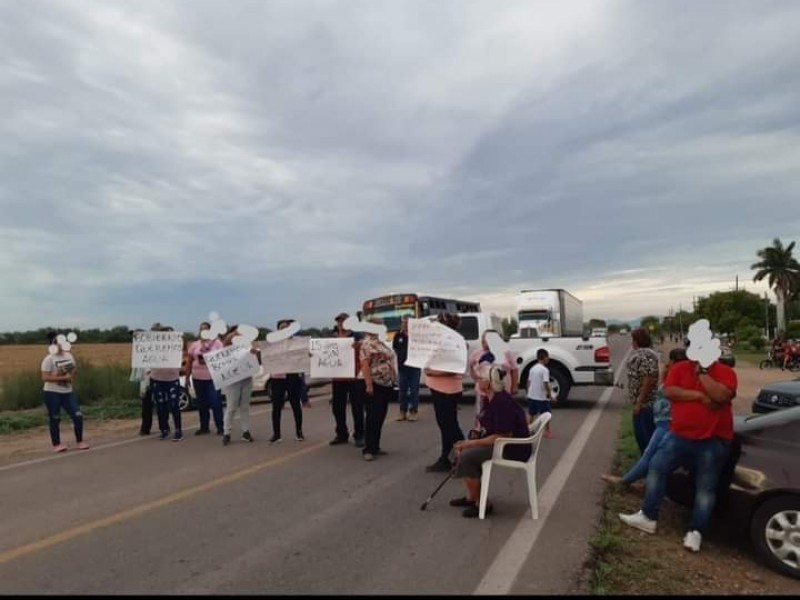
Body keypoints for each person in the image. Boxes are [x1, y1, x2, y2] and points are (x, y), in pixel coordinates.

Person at [619, 348, 737, 553]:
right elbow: (669, 391)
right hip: (679, 435)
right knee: (656, 467)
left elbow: (720, 396)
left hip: (713, 440)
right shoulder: (681, 368)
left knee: (705, 487)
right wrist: (699, 396)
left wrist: (702, 374)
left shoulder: (725, 372)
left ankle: (696, 532)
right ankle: (648, 516)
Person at [449, 365, 532, 518]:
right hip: (503, 443)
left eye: (480, 379)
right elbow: (489, 427)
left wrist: (470, 444)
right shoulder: (492, 398)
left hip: (511, 447)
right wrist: (475, 436)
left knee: (467, 456)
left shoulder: (501, 402)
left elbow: (500, 436)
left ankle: (483, 504)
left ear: (487, 383)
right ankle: (472, 496)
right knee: (458, 449)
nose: (477, 381)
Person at [602, 347, 688, 486]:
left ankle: (627, 481)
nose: (667, 363)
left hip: (667, 423)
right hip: (663, 421)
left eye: (670, 360)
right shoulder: (675, 375)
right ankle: (644, 482)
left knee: (650, 454)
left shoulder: (679, 378)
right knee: (653, 454)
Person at [425, 313, 466, 473]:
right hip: (439, 388)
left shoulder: (454, 342)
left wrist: (434, 373)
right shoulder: (445, 341)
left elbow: (455, 368)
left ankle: (464, 456)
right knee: (445, 425)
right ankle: (446, 458)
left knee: (450, 426)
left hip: (447, 389)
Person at [41, 333, 89, 452]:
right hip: (52, 392)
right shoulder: (49, 359)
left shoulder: (69, 356)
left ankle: (80, 441)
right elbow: (45, 377)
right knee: (55, 418)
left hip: (67, 391)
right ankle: (57, 444)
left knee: (77, 415)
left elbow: (73, 369)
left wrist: (70, 376)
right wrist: (61, 378)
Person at [360, 320, 398, 461]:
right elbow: (365, 365)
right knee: (372, 417)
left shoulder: (381, 342)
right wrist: (368, 384)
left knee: (380, 416)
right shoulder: (367, 344)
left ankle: (376, 446)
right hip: (374, 383)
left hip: (385, 384)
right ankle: (368, 449)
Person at [329, 312, 365, 447]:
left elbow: (365, 352)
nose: (340, 324)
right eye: (338, 321)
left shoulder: (357, 336)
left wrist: (359, 346)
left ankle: (360, 434)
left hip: (354, 377)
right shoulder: (332, 338)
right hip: (338, 378)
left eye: (343, 321)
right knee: (337, 408)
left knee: (357, 407)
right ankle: (341, 434)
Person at [469, 330, 519, 423]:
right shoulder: (477, 353)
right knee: (482, 415)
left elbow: (514, 369)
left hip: (502, 391)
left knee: (501, 415)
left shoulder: (506, 352)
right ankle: (481, 433)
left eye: (486, 339)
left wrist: (514, 386)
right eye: (482, 339)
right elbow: (472, 369)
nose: (483, 342)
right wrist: (475, 376)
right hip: (483, 392)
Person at [221, 325, 260, 446]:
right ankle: (227, 432)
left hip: (246, 378)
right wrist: (234, 334)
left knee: (245, 406)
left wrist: (254, 353)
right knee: (231, 407)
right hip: (233, 380)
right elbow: (225, 342)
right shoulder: (227, 348)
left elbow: (255, 358)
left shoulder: (247, 345)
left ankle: (245, 431)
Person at [269, 319, 306, 443]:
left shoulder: (297, 343)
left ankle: (299, 432)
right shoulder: (272, 343)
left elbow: (303, 356)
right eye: (281, 328)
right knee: (276, 407)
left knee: (296, 405)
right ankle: (277, 434)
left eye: (286, 327)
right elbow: (265, 356)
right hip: (277, 377)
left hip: (292, 376)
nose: (284, 329)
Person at [186, 321, 224, 436]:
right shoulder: (195, 345)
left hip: (212, 378)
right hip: (198, 378)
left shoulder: (217, 343)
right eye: (201, 329)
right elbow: (189, 361)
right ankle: (204, 426)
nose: (203, 331)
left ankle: (220, 427)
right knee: (202, 404)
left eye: (206, 329)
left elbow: (223, 357)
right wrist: (187, 377)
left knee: (215, 402)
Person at [625, 328, 660, 454]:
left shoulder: (644, 356)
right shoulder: (649, 354)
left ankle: (648, 467)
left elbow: (648, 380)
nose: (632, 343)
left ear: (637, 341)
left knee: (644, 438)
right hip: (645, 403)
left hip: (645, 404)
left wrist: (639, 403)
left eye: (633, 340)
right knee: (646, 436)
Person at [149, 324, 184, 441]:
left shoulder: (176, 346)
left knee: (174, 405)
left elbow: (183, 350)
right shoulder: (153, 347)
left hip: (172, 379)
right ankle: (164, 429)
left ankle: (178, 429)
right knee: (160, 406)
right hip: (156, 379)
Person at [392, 316, 421, 421]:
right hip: (402, 367)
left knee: (414, 391)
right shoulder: (397, 335)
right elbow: (395, 348)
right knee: (402, 391)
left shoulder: (417, 336)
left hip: (414, 367)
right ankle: (402, 412)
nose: (405, 324)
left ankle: (413, 412)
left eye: (407, 322)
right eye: (403, 322)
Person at [526, 348, 555, 438]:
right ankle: (547, 431)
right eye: (547, 357)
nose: (548, 359)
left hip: (532, 395)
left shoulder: (533, 368)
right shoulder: (544, 370)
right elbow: (546, 383)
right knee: (546, 414)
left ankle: (528, 430)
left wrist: (528, 392)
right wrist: (550, 395)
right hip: (541, 397)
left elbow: (528, 381)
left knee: (531, 413)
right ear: (544, 357)